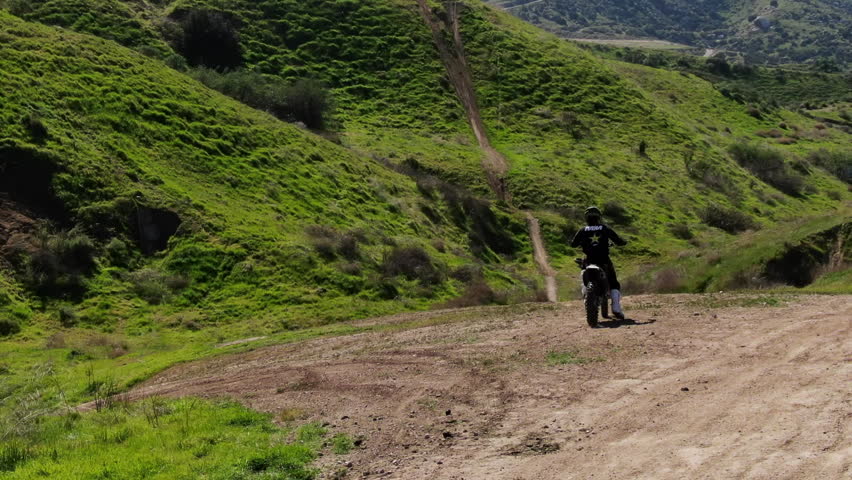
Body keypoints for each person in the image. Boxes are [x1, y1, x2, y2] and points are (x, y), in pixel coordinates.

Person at [570, 206, 628, 319]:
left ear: (586, 218)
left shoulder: (582, 230)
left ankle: (586, 298)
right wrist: (623, 242)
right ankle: (616, 308)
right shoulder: (604, 228)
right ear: (599, 217)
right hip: (603, 260)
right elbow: (618, 241)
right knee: (614, 283)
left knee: (583, 277)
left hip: (589, 260)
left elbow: (573, 244)